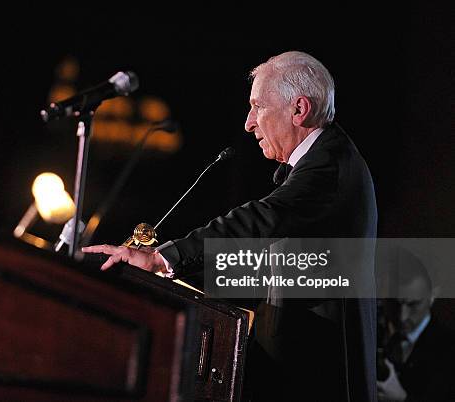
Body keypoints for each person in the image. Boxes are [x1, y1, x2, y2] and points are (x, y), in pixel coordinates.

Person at [83, 51, 378, 401]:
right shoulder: (322, 161)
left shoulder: (330, 167)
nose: (249, 122)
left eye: (259, 107)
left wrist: (165, 259)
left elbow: (259, 220)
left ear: (299, 109)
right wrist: (174, 275)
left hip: (315, 377)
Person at [377, 248, 455, 401]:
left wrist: (403, 399)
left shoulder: (450, 350)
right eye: (394, 303)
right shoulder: (374, 335)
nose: (402, 316)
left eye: (413, 304)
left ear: (433, 295)